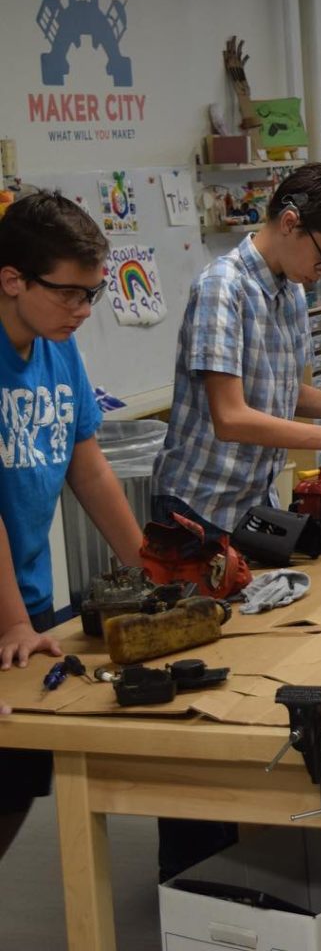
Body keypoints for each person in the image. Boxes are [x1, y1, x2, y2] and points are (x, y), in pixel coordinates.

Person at [0, 191, 145, 858]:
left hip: (23, 608)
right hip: (9, 619)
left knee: (17, 784)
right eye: (70, 295)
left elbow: (89, 473)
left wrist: (156, 573)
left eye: (93, 295)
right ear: (12, 280)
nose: (84, 313)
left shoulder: (58, 350)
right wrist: (13, 625)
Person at [151, 162, 321, 537]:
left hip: (252, 503)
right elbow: (230, 418)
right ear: (289, 222)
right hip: (199, 506)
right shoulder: (222, 288)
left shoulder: (291, 291)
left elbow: (284, 393)